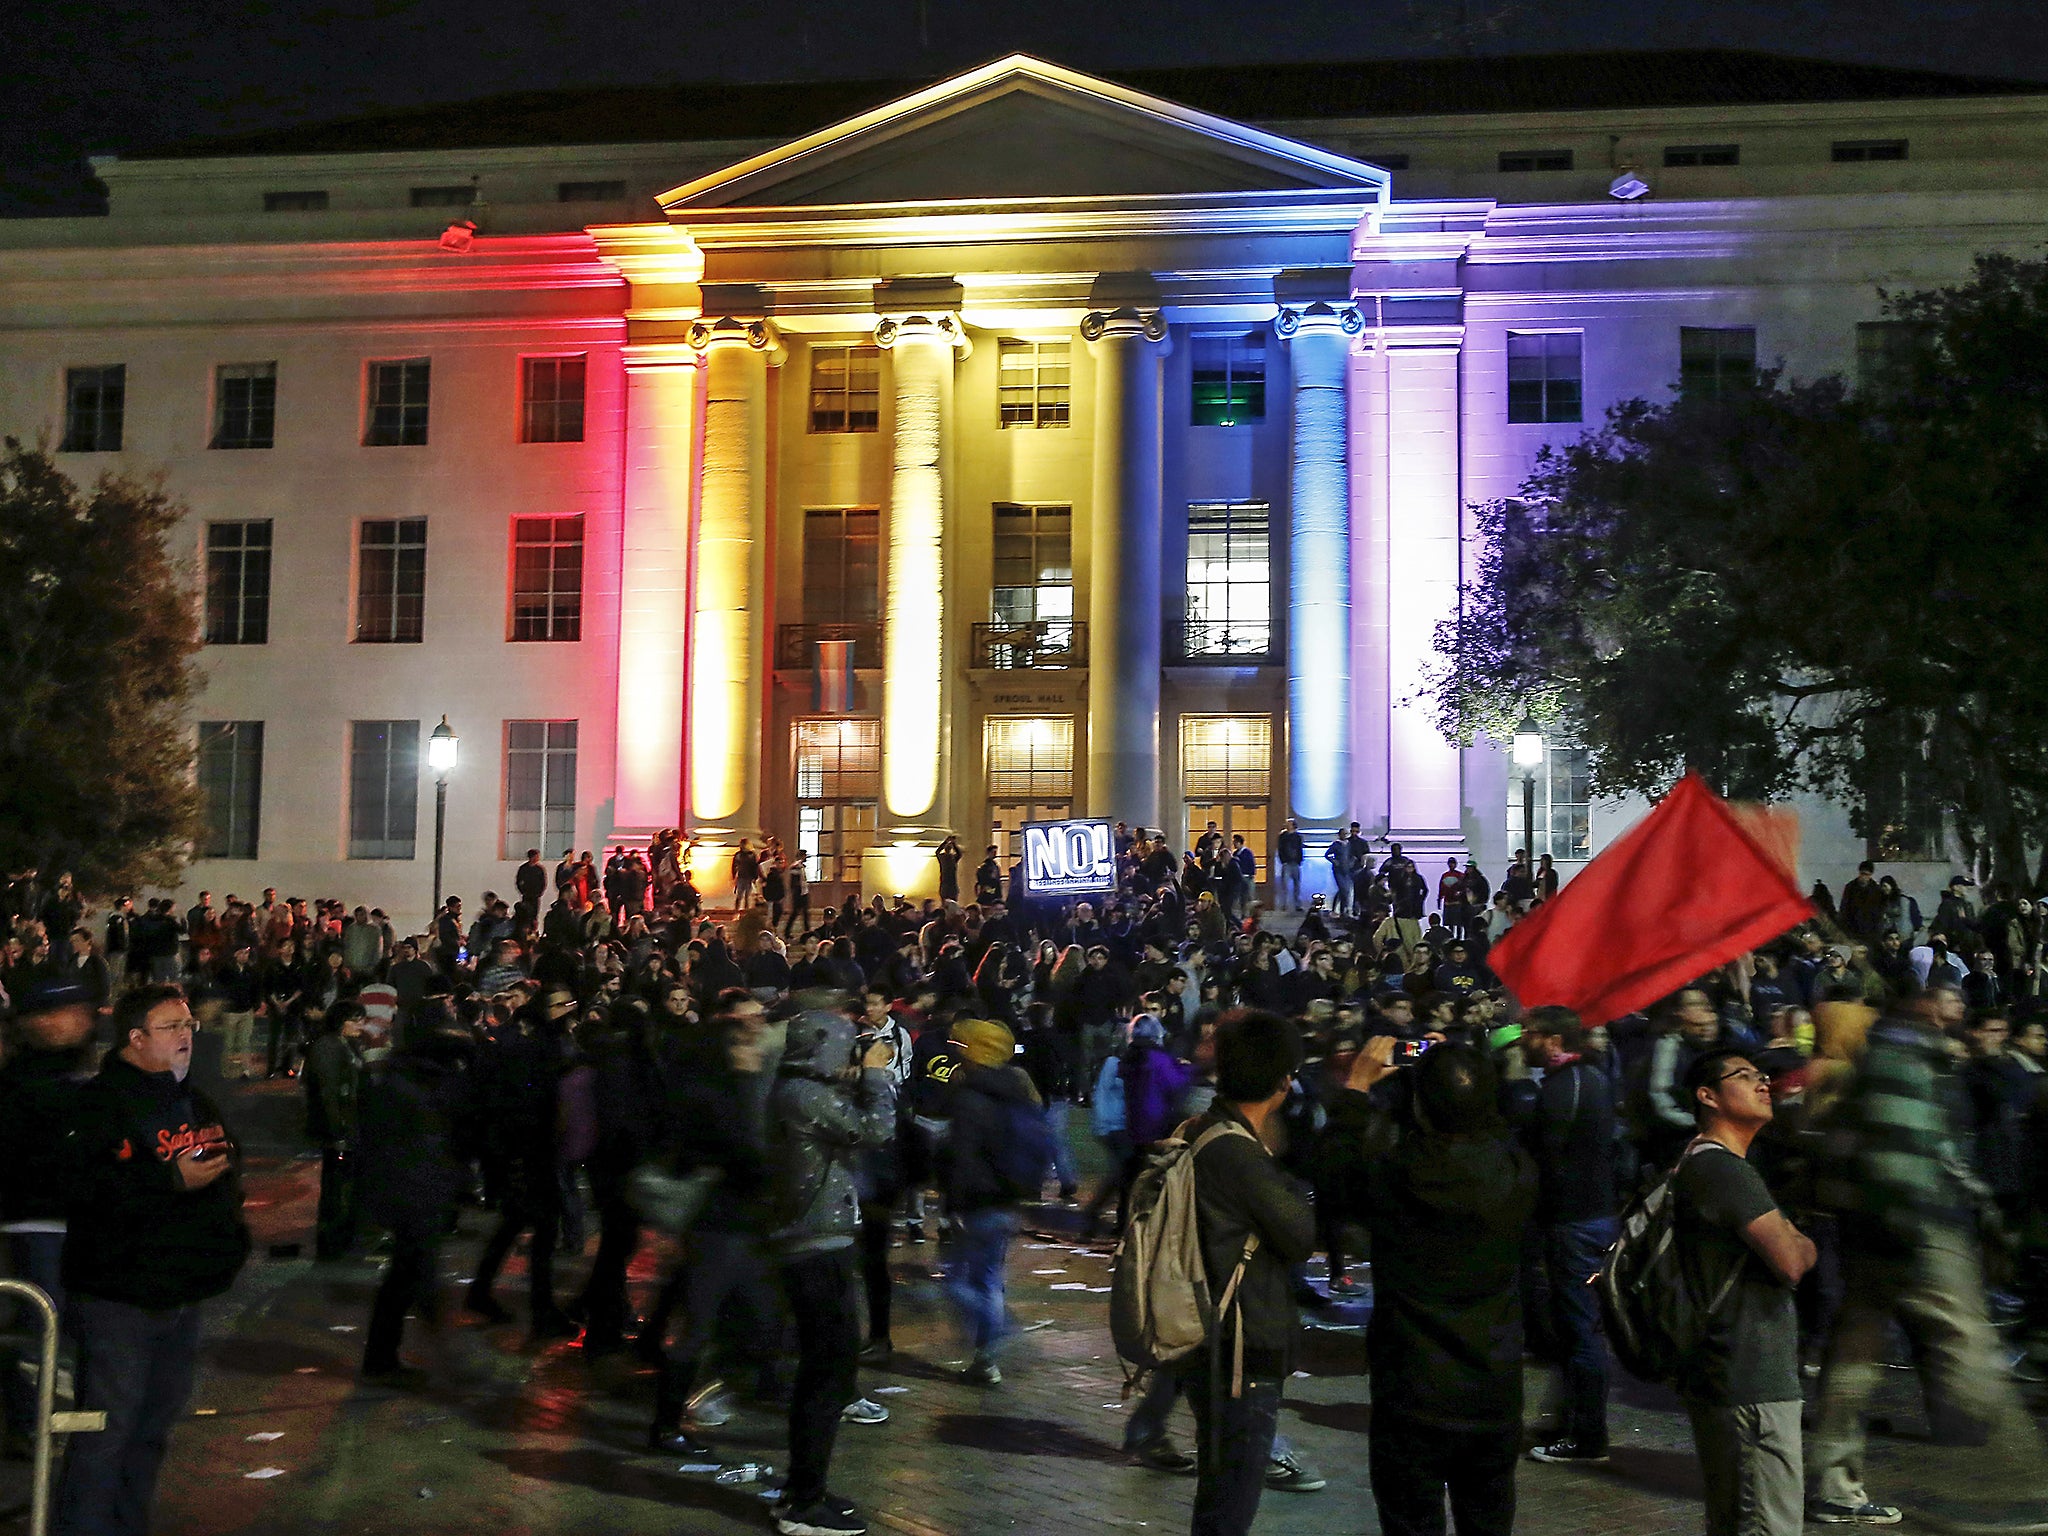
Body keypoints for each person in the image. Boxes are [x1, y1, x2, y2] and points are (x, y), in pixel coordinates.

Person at [1810, 985, 2037, 1526]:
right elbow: (1915, 1152)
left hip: (1880, 1230)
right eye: (1950, 1001)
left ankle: (1834, 1485)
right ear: (1925, 1006)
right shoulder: (1904, 1056)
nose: (1959, 1010)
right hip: (1917, 1230)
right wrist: (1942, 1226)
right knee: (1969, 1351)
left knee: (1855, 1357)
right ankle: (2004, 1493)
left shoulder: (1891, 1054)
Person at [56, 984, 251, 1536]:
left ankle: (127, 1522)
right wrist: (169, 1178)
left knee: (153, 1427)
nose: (186, 1035)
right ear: (135, 1038)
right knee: (108, 1431)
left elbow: (224, 1164)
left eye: (189, 1024)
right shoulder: (100, 1103)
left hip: (182, 1291)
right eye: (171, 1027)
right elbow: (87, 1189)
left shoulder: (191, 1096)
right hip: (121, 1296)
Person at [1327, 1037, 1538, 1536]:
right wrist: (1461, 1067)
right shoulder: (1517, 1173)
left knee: (1410, 1522)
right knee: (1488, 1520)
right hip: (1492, 1385)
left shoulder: (1393, 1177)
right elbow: (1497, 1122)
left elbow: (1332, 1171)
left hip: (1411, 1387)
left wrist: (1357, 1085)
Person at [1179, 1009, 1316, 1536]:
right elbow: (1300, 1235)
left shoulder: (1208, 1129)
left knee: (1222, 1490)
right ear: (1283, 1079)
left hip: (1213, 1336)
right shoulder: (1237, 1153)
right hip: (1239, 1347)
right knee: (1230, 1500)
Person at [765, 1001, 898, 1536]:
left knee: (829, 1370)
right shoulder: (804, 1095)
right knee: (828, 1372)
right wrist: (876, 1075)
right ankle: (803, 1504)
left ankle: (804, 1488)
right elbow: (876, 1129)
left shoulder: (801, 1091)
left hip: (818, 1237)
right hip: (814, 1243)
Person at [1671, 1046, 1816, 1536]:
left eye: (1763, 1076)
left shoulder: (1702, 1163)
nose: (1763, 1084)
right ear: (1707, 1096)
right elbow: (1792, 1261)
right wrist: (1803, 1239)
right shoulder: (1724, 1172)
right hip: (1748, 1376)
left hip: (1731, 1373)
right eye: (1746, 1076)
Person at [0, 977, 99, 1454]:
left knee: (60, 1326)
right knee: (42, 1324)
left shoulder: (71, 1071)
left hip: (66, 1221)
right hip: (34, 1221)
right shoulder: (27, 1079)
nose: (73, 1021)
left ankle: (51, 1419)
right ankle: (34, 1423)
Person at [1518, 1007, 1619, 1467]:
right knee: (1574, 1325)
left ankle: (1587, 1435)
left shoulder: (1566, 1087)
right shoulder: (1587, 1078)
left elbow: (1547, 1153)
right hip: (1588, 1215)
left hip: (1574, 1221)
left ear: (1552, 1039)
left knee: (1580, 1328)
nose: (1523, 1039)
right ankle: (1569, 1418)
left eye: (1530, 1033)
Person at [358, 1019, 475, 1381]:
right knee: (416, 1275)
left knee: (403, 1277)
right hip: (415, 1195)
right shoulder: (416, 1087)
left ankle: (382, 1359)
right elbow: (426, 1144)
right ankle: (438, 1354)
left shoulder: (407, 1079)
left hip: (412, 1193)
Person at [943, 1018, 1039, 1384]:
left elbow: (963, 1157)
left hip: (979, 1202)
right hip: (1008, 1200)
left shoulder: (970, 1096)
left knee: (955, 1282)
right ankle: (987, 1360)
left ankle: (998, 1330)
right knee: (990, 1279)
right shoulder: (1017, 1088)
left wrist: (955, 1206)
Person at [303, 1000, 367, 1261]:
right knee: (337, 1186)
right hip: (338, 1129)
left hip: (348, 1124)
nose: (361, 1026)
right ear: (342, 1021)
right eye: (356, 1020)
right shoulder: (329, 1047)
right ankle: (333, 1243)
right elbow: (328, 1092)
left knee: (343, 1184)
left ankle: (341, 1238)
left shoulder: (345, 1044)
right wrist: (337, 1130)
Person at [1274, 820, 1304, 912]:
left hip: (1295, 863)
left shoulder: (1298, 837)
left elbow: (1300, 849)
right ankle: (1284, 904)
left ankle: (1297, 904)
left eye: (1289, 824)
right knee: (1285, 885)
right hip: (1286, 863)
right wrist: (1283, 860)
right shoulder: (1283, 836)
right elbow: (1280, 848)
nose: (1287, 825)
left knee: (1297, 885)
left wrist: (1299, 860)